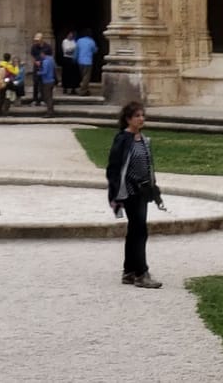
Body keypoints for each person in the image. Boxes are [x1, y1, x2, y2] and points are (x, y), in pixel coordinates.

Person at [106, 100, 165, 289]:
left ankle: (129, 271)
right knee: (140, 232)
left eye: (142, 115)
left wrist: (153, 188)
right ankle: (141, 273)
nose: (141, 119)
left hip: (143, 192)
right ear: (128, 119)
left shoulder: (144, 139)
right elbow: (114, 169)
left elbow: (147, 167)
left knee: (135, 231)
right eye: (137, 116)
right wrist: (116, 192)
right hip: (130, 192)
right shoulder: (123, 139)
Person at [75, 29, 98, 96]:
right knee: (86, 77)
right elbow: (94, 50)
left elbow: (76, 51)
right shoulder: (91, 41)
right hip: (88, 61)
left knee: (83, 76)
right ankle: (82, 91)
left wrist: (75, 58)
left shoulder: (79, 41)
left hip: (80, 61)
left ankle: (85, 90)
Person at [29, 32, 50, 105]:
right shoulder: (34, 47)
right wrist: (35, 62)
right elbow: (32, 56)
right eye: (36, 40)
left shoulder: (47, 47)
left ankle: (43, 99)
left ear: (42, 39)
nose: (36, 41)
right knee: (36, 83)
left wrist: (44, 63)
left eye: (38, 40)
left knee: (43, 83)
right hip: (36, 66)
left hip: (44, 66)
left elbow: (49, 57)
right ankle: (35, 99)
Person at [36, 50, 57, 115]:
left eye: (41, 54)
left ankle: (50, 112)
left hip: (47, 81)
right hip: (51, 80)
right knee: (50, 97)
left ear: (43, 54)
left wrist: (38, 72)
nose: (40, 56)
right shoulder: (52, 60)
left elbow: (45, 72)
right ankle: (51, 111)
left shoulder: (45, 61)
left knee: (47, 97)